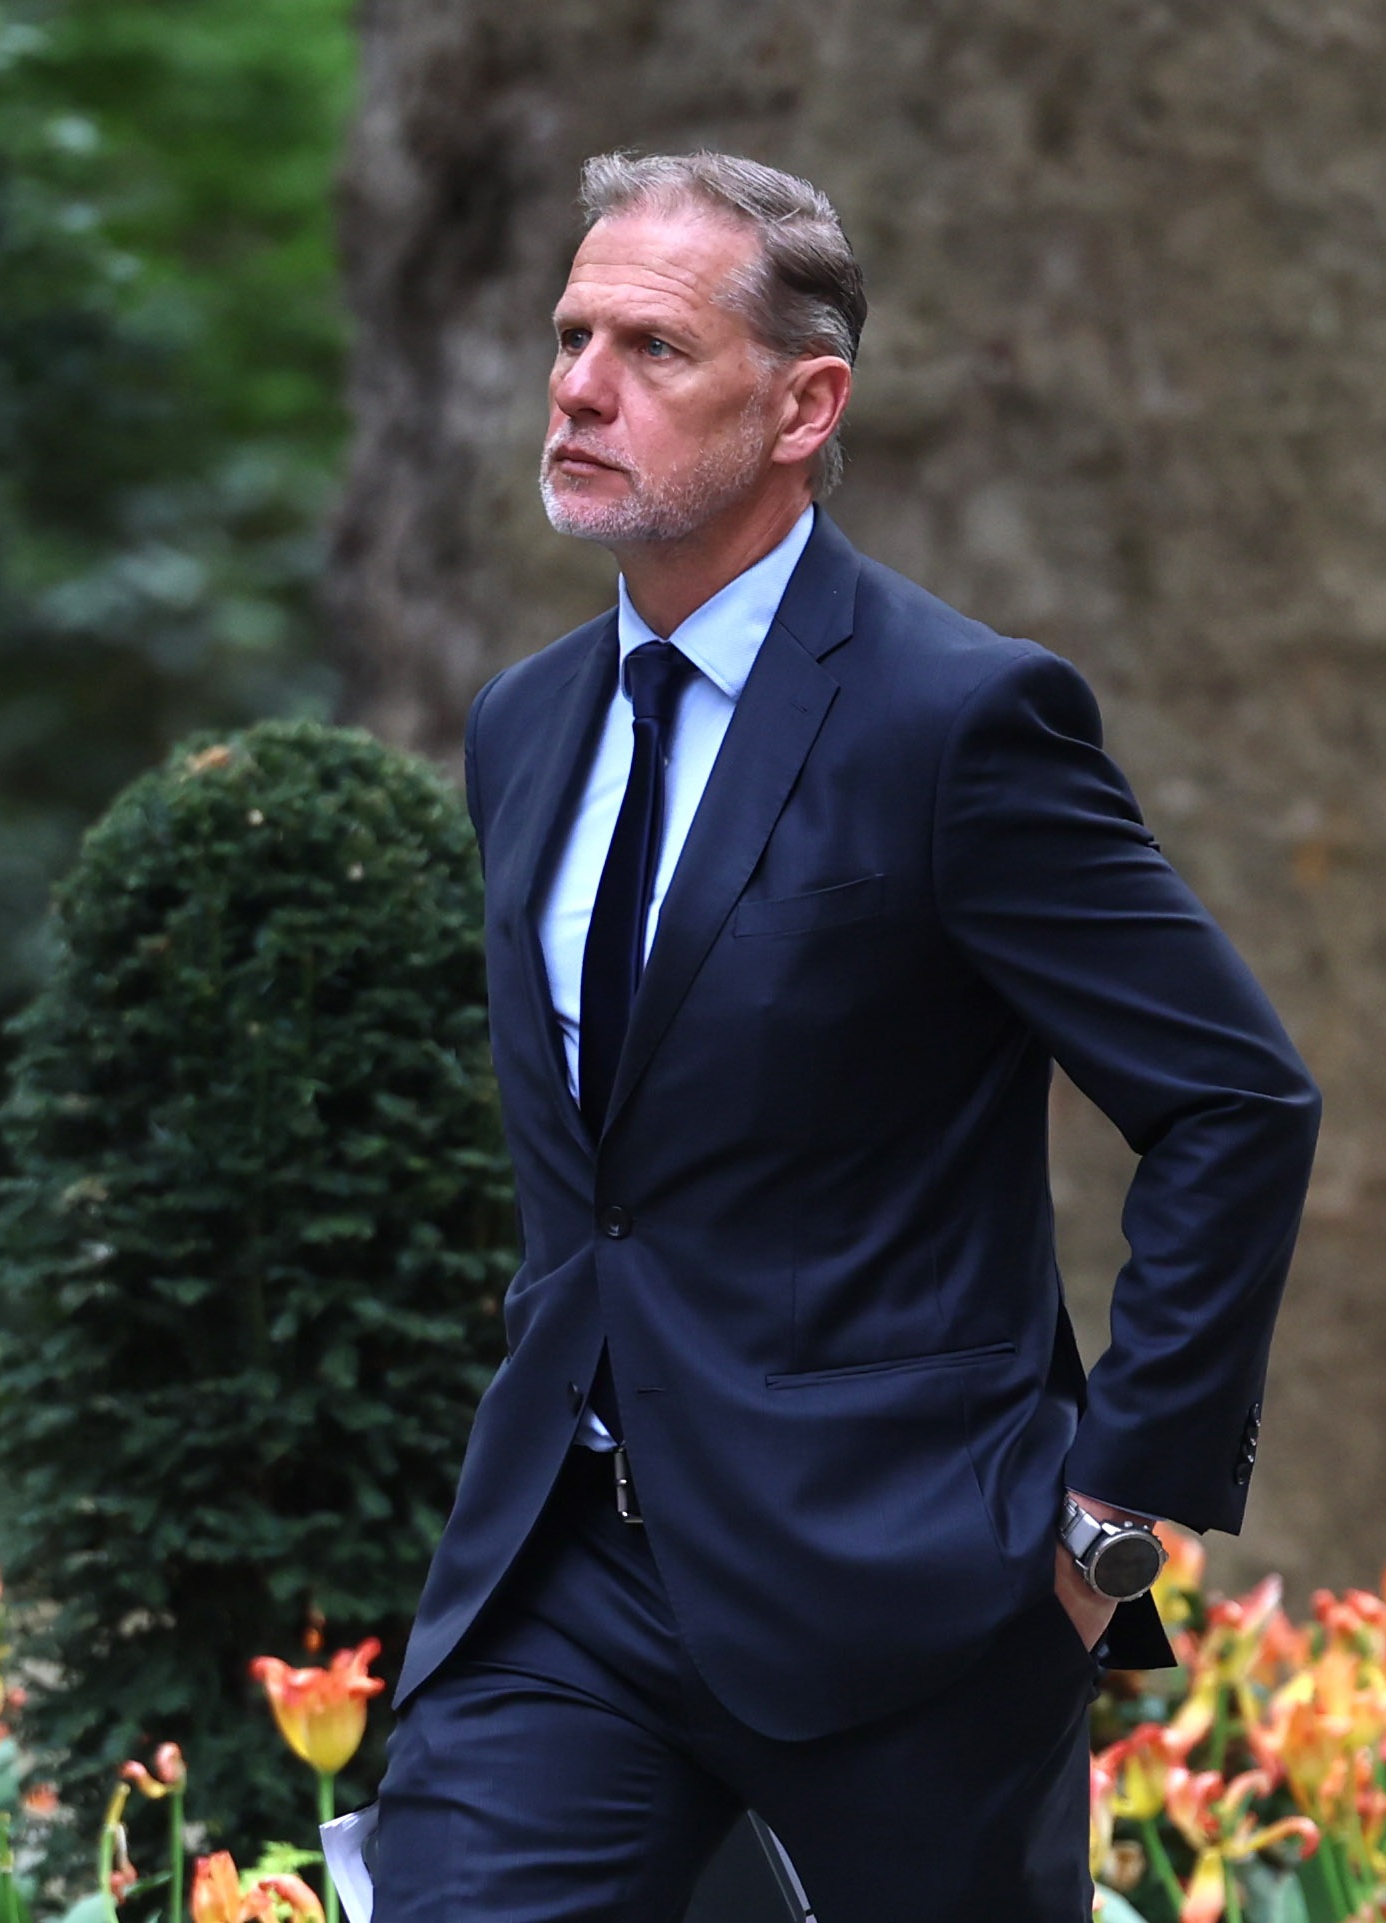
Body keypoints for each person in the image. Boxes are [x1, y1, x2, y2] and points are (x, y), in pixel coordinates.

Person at [374, 150, 1320, 1922]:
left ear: (806, 405)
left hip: (905, 1590)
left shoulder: (960, 722)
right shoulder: (524, 727)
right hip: (562, 1577)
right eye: (570, 336)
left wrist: (1119, 1516)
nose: (578, 385)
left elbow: (1233, 1100)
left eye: (651, 349)